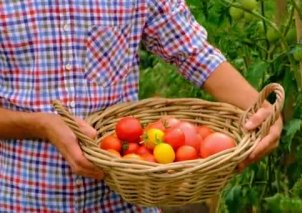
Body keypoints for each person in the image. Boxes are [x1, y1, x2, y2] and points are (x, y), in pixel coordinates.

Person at [0, 0, 283, 212]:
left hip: (124, 201)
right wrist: (42, 125)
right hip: (25, 198)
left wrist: (260, 107)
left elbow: (193, 51)